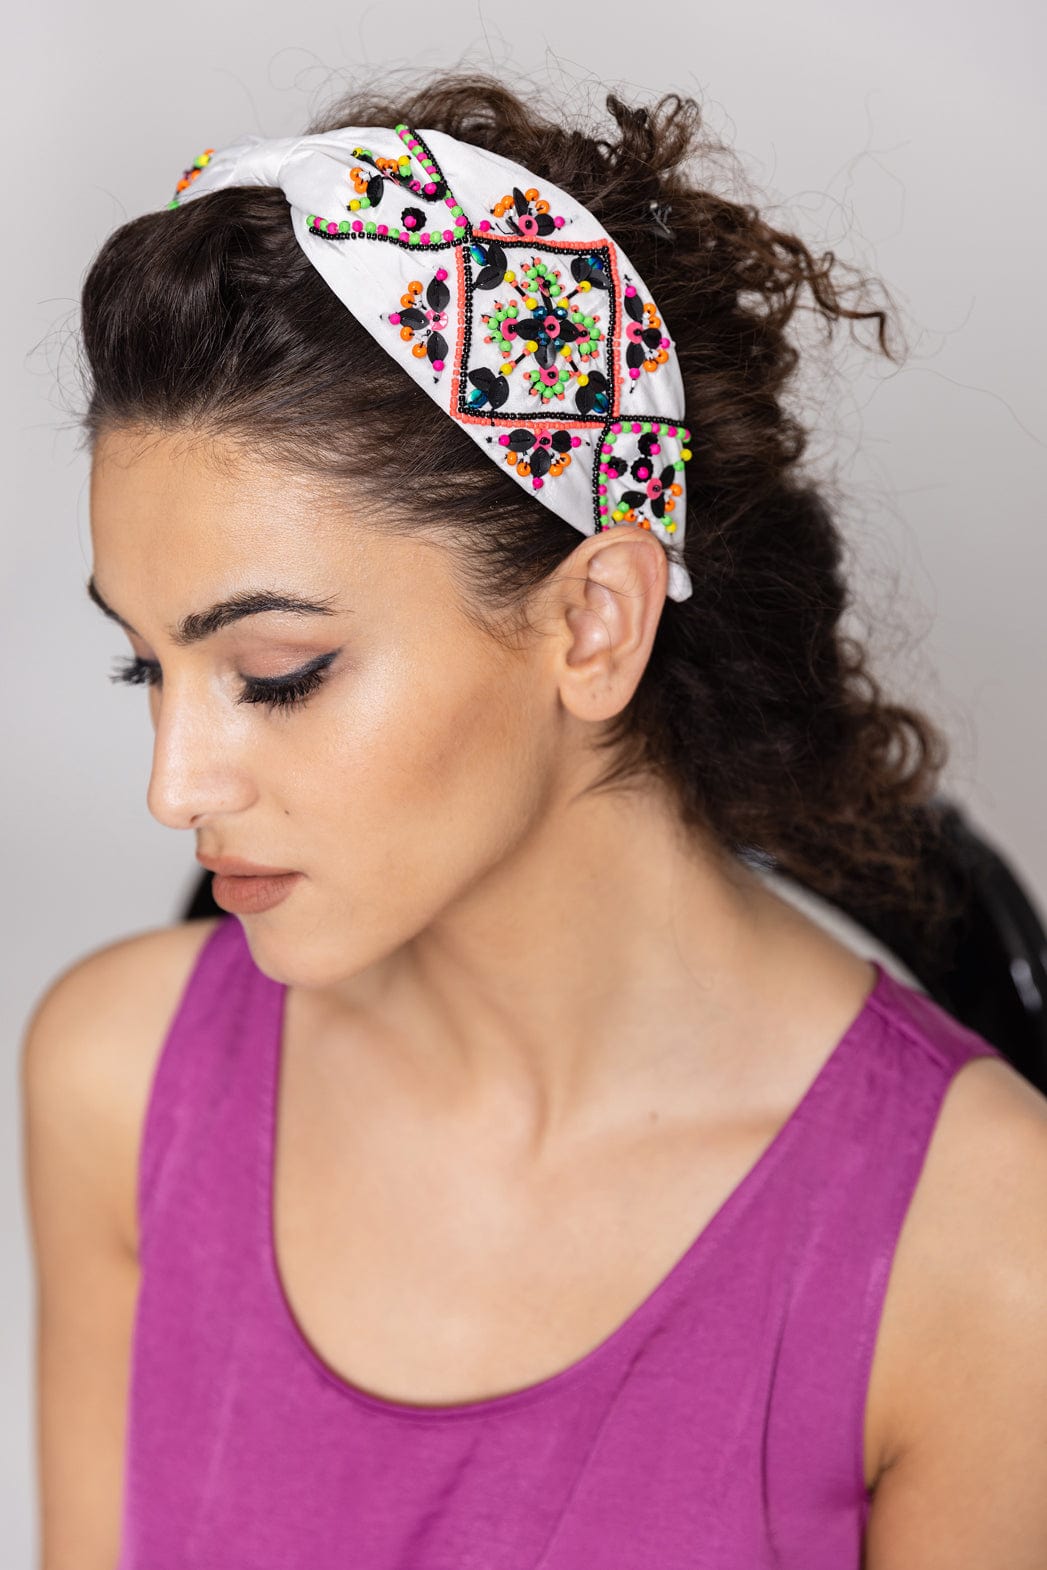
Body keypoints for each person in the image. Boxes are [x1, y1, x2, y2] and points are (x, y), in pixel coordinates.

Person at [20, 68, 1047, 1570]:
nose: (174, 786)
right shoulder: (115, 1085)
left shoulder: (986, 1249)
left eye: (278, 672)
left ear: (592, 620)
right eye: (146, 666)